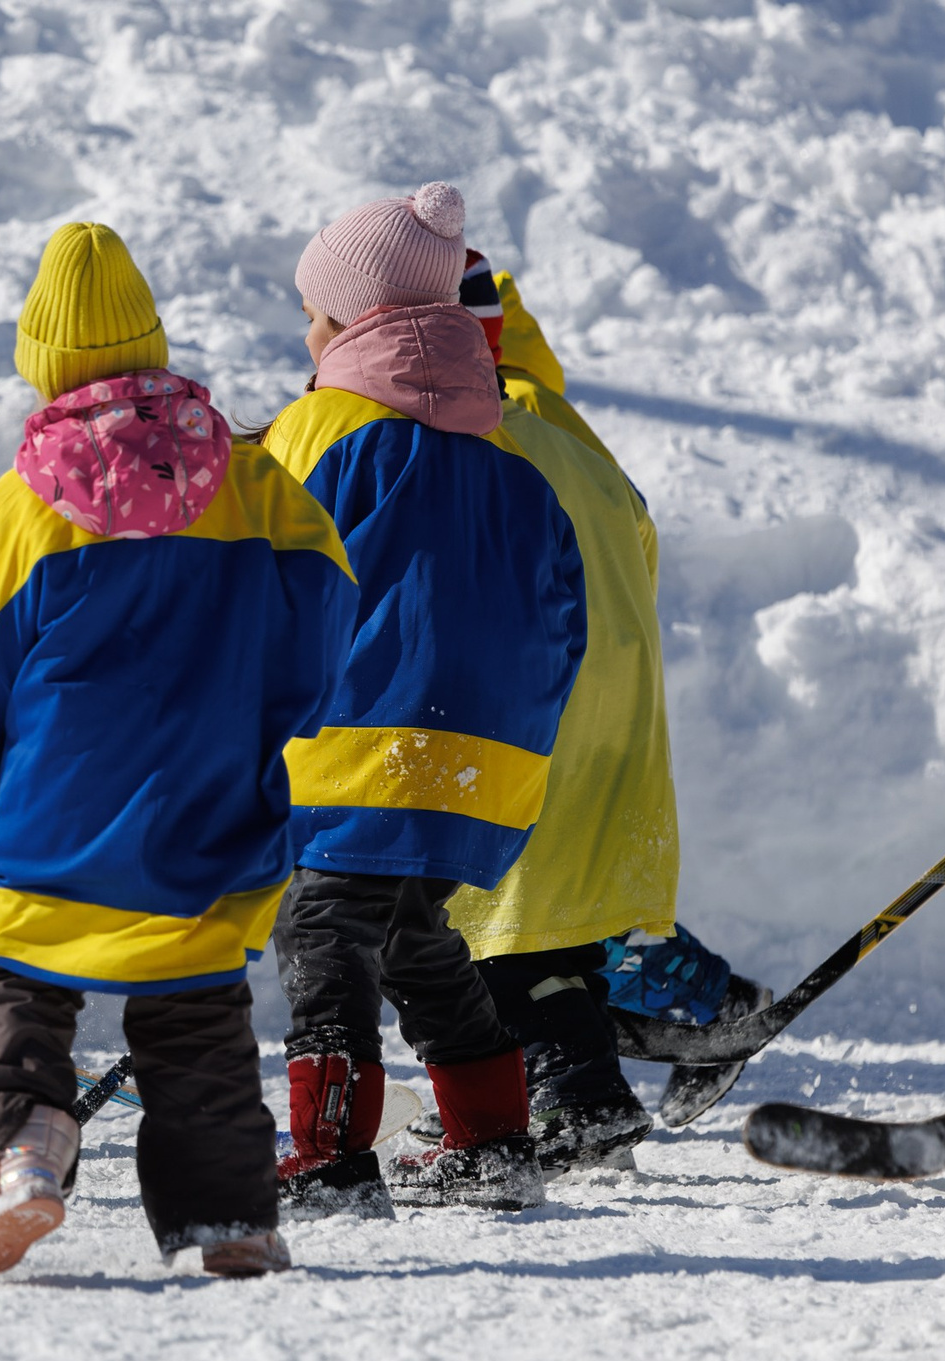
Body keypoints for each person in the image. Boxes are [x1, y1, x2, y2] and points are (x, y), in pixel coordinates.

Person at [0, 222, 357, 1277]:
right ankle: (228, 1216)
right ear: (153, 345)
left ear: (42, 366)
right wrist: (274, 716)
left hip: (58, 808)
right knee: (196, 1019)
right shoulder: (250, 479)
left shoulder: (23, 501)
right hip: (211, 802)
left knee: (17, 993)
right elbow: (326, 603)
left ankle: (22, 1155)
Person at [263, 183, 589, 1213]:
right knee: (411, 934)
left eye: (314, 315)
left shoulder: (319, 432)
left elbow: (259, 575)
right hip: (488, 761)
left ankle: (326, 1158)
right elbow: (562, 615)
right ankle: (493, 1142)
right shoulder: (508, 463)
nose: (305, 335)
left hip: (358, 747)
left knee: (323, 932)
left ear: (354, 323)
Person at [451, 252, 770, 1148]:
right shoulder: (542, 415)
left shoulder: (505, 420)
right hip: (599, 684)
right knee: (564, 900)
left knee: (530, 909)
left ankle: (664, 1027)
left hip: (550, 693)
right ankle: (603, 1050)